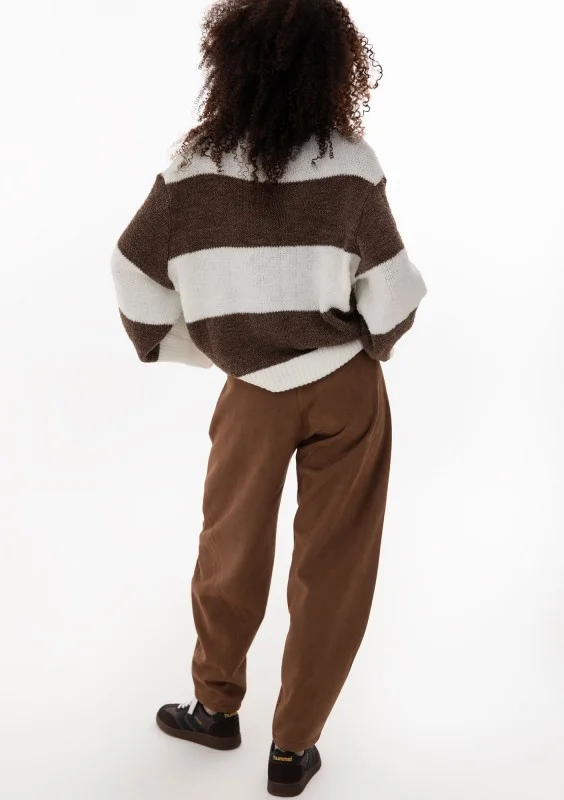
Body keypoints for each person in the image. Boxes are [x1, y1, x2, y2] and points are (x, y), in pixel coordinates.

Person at [110, 0, 427, 795]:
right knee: (336, 564)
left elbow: (134, 274)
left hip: (250, 391)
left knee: (229, 545)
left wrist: (204, 347)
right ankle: (293, 750)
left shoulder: (191, 172)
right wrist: (368, 345)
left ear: (231, 64)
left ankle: (215, 709)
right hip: (346, 390)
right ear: (335, 67)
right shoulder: (351, 166)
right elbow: (394, 299)